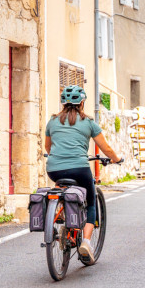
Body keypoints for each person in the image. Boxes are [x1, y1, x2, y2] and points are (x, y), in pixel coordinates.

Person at [45, 85, 121, 263]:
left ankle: (61, 211)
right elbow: (106, 148)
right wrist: (116, 159)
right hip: (80, 168)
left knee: (60, 187)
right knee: (91, 201)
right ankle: (86, 242)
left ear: (63, 103)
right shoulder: (88, 122)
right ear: (83, 102)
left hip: (54, 169)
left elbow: (48, 148)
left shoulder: (52, 121)